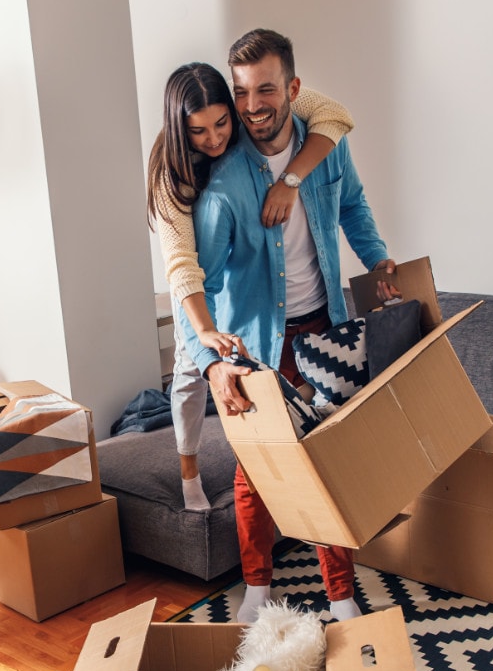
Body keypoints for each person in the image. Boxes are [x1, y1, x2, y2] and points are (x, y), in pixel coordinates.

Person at [175, 28, 397, 623]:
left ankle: (342, 596)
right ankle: (256, 586)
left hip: (329, 328)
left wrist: (377, 260)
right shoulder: (221, 187)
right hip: (257, 346)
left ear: (293, 90)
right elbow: (189, 287)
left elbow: (353, 207)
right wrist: (212, 363)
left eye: (266, 89)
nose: (251, 107)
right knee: (258, 468)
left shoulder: (326, 146)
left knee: (331, 459)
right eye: (241, 93)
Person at [146, 63, 356, 511]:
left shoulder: (250, 107)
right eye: (199, 131)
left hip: (236, 284)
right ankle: (189, 472)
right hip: (194, 285)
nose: (215, 138)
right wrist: (203, 333)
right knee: (188, 373)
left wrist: (290, 182)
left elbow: (334, 114)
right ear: (180, 129)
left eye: (222, 123)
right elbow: (183, 264)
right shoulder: (171, 173)